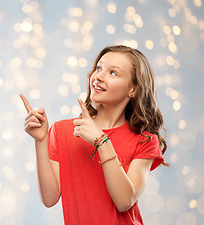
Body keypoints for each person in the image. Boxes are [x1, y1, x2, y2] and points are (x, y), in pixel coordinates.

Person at [20, 45, 167, 225]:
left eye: (113, 73)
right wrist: (41, 141)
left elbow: (124, 202)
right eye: (99, 68)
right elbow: (49, 199)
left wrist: (102, 143)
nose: (99, 76)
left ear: (133, 89)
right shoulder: (63, 130)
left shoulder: (144, 140)